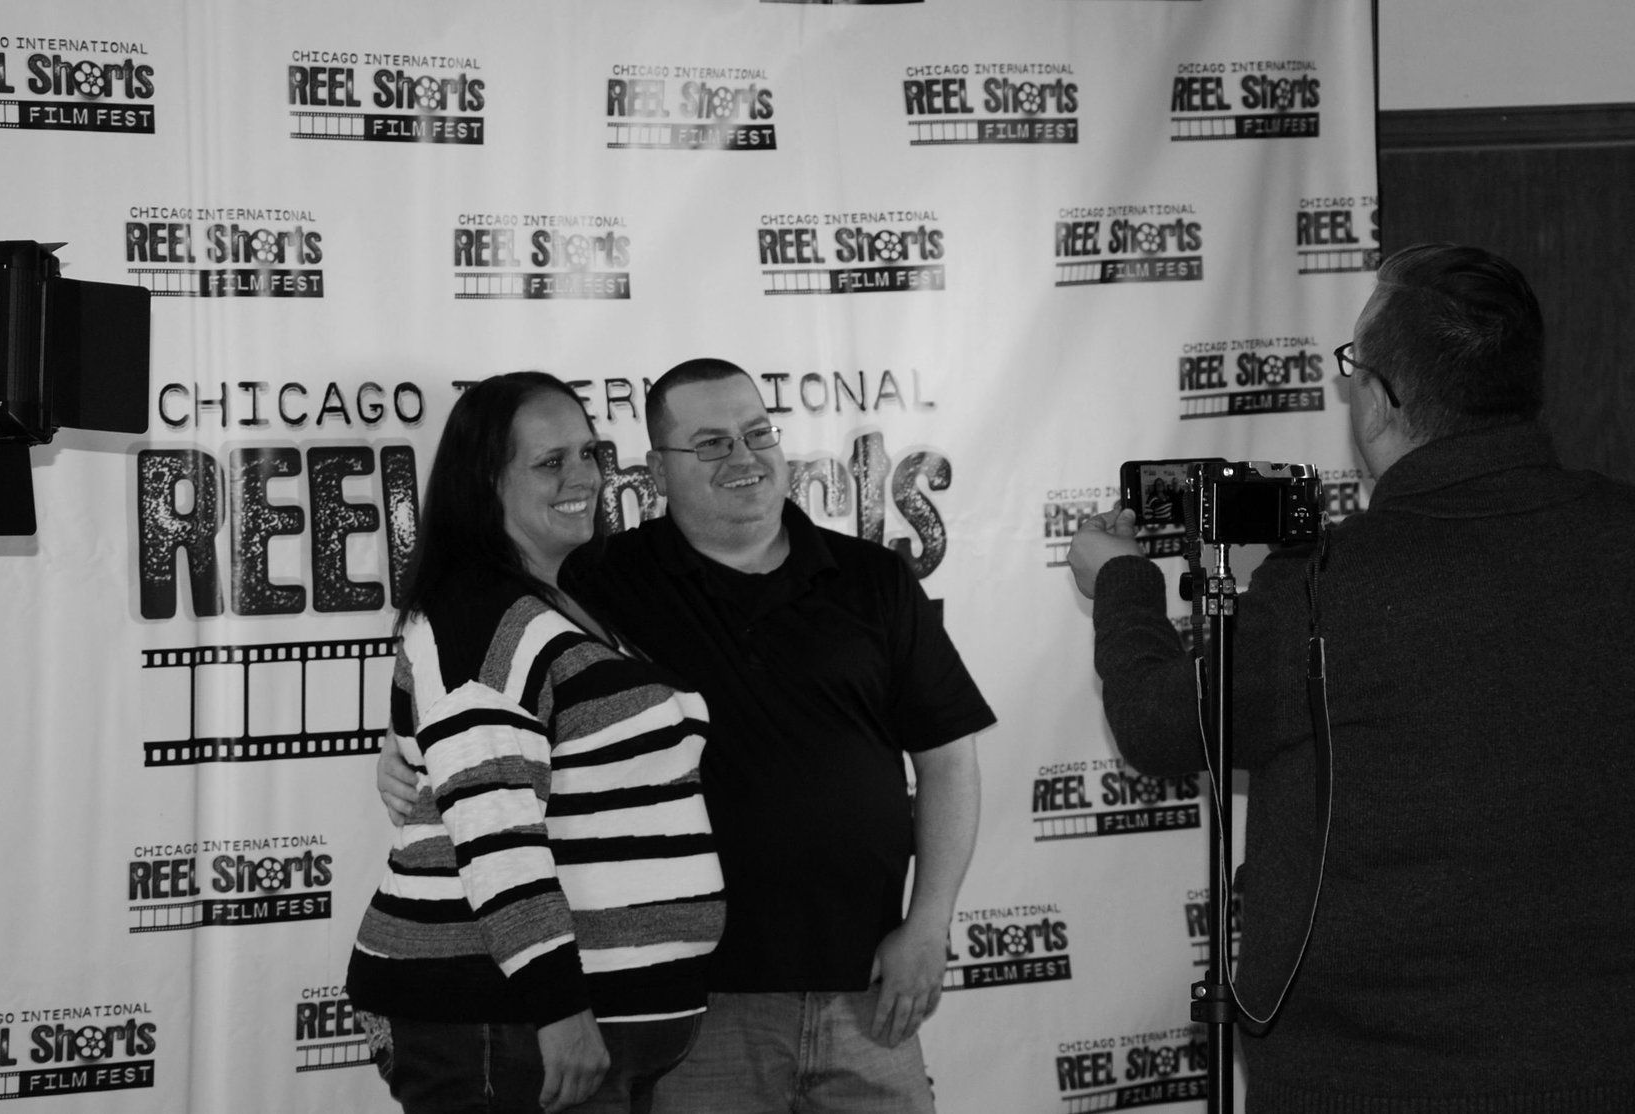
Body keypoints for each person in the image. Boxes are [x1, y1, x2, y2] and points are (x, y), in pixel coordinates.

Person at [1068, 243, 1635, 1110]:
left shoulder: (1327, 582)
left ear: (1376, 398)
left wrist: (1122, 581)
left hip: (1365, 1074)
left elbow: (1159, 722)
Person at [388, 358, 993, 1112]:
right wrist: (406, 745)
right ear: (657, 470)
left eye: (756, 433)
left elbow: (948, 761)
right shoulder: (594, 578)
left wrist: (930, 924)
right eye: (708, 444)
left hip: (867, 988)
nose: (742, 458)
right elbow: (469, 672)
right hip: (695, 1006)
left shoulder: (875, 580)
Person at [346, 371, 725, 1114]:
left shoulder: (566, 601)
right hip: (505, 1025)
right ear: (485, 481)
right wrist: (558, 1009)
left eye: (589, 453)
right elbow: (495, 832)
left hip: (562, 1029)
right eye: (550, 462)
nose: (582, 476)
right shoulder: (477, 616)